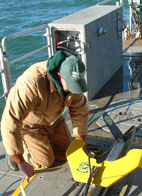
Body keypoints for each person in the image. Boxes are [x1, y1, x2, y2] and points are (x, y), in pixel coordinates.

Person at [1, 50, 89, 181]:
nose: (73, 90)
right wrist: (19, 160)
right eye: (70, 86)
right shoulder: (31, 83)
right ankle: (20, 150)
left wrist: (80, 141)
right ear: (59, 75)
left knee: (69, 153)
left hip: (53, 119)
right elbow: (10, 122)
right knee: (44, 163)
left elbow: (80, 111)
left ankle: (44, 143)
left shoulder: (72, 80)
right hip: (29, 126)